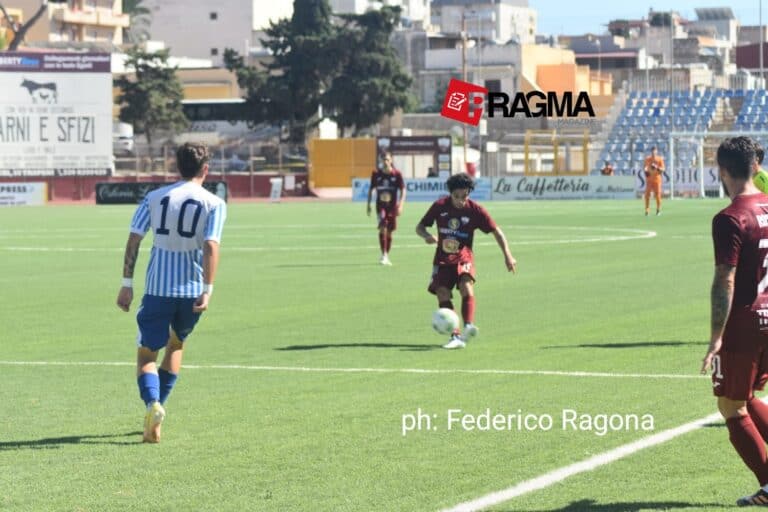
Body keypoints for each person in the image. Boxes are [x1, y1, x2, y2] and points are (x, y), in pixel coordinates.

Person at [116, 142, 227, 443]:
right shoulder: (214, 204)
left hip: (158, 291)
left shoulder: (154, 198)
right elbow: (211, 246)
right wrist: (208, 290)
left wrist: (126, 283)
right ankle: (158, 410)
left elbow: (134, 240)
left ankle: (153, 404)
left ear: (176, 166)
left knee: (146, 354)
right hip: (191, 292)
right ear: (206, 169)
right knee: (176, 345)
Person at [701, 136, 768, 506]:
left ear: (721, 171)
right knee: (747, 395)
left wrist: (715, 337)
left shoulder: (729, 218)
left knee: (730, 406)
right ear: (755, 167)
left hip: (744, 324)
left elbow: (724, 278)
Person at [415, 172, 517, 349]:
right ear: (450, 193)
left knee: (466, 286)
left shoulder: (475, 210)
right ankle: (455, 336)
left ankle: (468, 325)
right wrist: (426, 236)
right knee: (442, 293)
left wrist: (508, 255)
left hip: (464, 256)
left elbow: (497, 232)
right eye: (457, 196)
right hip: (442, 259)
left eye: (465, 196)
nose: (461, 200)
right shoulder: (439, 206)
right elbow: (420, 227)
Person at [367, 152, 406, 265]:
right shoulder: (376, 174)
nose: (385, 161)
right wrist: (368, 204)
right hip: (381, 207)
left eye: (387, 159)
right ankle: (384, 255)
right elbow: (371, 189)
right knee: (383, 227)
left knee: (389, 232)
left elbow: (403, 190)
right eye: (383, 159)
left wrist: (401, 204)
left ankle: (386, 255)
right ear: (380, 161)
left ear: (391, 160)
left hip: (392, 207)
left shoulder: (397, 174)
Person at [643, 146, 665, 216]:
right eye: (652, 151)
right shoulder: (648, 159)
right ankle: (647, 210)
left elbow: (663, 169)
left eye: (654, 151)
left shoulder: (659, 159)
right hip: (649, 179)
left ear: (656, 151)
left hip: (657, 179)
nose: (653, 152)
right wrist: (646, 171)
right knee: (647, 195)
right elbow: (645, 167)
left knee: (658, 195)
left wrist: (657, 167)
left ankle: (658, 210)